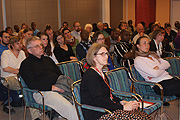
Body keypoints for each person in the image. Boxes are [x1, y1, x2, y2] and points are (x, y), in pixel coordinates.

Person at [80, 43, 152, 120]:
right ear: (94, 57)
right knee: (139, 117)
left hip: (107, 109)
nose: (106, 56)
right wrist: (122, 107)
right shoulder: (91, 75)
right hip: (98, 113)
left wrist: (121, 102)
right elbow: (100, 101)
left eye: (106, 54)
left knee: (142, 115)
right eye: (102, 54)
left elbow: (108, 95)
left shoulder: (101, 73)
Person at [19, 36, 78, 120]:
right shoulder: (26, 64)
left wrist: (60, 86)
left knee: (78, 100)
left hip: (58, 87)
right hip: (41, 92)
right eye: (37, 46)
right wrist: (52, 88)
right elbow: (31, 84)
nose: (41, 48)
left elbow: (59, 74)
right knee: (67, 106)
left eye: (41, 45)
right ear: (29, 50)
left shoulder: (48, 60)